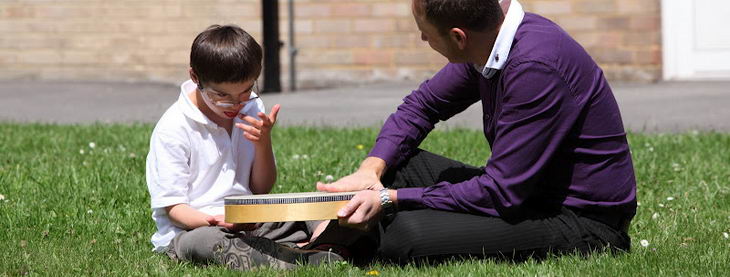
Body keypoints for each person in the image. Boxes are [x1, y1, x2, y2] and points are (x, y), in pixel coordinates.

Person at [317, 0, 637, 264]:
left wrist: (390, 199)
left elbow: (500, 192)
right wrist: (370, 170)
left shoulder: (535, 66)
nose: (423, 41)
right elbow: (422, 107)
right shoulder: (492, 40)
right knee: (397, 165)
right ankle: (324, 244)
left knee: (406, 236)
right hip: (527, 196)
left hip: (583, 221)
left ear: (458, 37)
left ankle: (346, 247)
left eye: (425, 34)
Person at [145, 24, 341, 271]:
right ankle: (295, 257)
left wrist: (263, 142)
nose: (236, 104)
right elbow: (174, 208)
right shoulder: (173, 128)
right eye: (222, 95)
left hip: (250, 219)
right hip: (195, 227)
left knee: (315, 205)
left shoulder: (250, 108)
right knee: (206, 241)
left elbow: (261, 187)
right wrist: (214, 220)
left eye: (247, 90)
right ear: (195, 78)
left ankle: (323, 243)